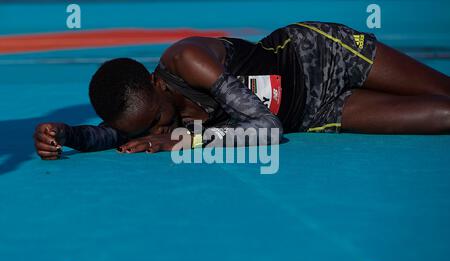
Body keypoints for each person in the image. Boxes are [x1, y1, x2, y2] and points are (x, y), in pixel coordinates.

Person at [34, 21, 450, 160]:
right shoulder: (145, 113)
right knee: (442, 116)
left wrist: (181, 138)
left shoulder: (186, 60)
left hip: (321, 55)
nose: (164, 126)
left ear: (156, 82)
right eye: (146, 128)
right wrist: (66, 136)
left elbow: (266, 125)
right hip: (314, 114)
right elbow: (111, 133)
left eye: (160, 118)